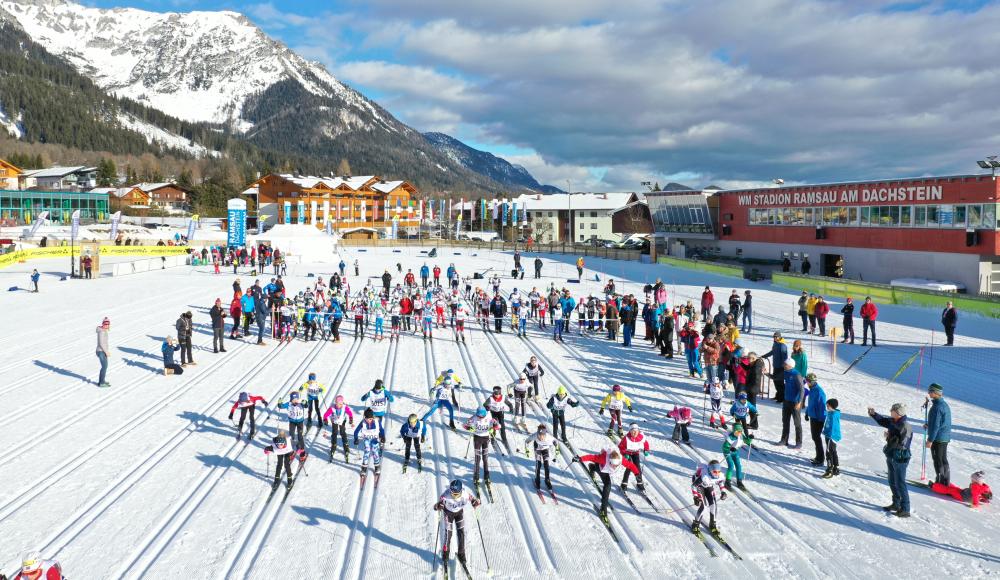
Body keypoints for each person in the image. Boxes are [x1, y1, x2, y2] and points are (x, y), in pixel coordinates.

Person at [867, 402, 913, 517]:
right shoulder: (894, 421)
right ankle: (896, 503)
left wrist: (889, 437)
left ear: (898, 413)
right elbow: (883, 421)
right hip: (891, 455)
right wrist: (874, 414)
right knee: (892, 480)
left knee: (900, 482)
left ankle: (905, 509)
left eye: (892, 410)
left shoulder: (905, 426)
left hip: (900, 457)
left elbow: (902, 444)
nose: (890, 411)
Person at [575, 448, 639, 517]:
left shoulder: (620, 459)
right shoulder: (603, 459)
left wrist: (637, 474)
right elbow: (591, 457)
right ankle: (603, 508)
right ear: (610, 461)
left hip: (606, 469)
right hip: (600, 467)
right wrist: (580, 459)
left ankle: (592, 467)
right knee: (608, 485)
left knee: (607, 482)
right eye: (613, 465)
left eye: (616, 465)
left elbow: (630, 465)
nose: (615, 467)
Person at [433, 480, 481, 570]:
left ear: (460, 491)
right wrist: (438, 506)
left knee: (461, 533)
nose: (454, 496)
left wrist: (475, 502)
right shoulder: (445, 495)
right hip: (448, 514)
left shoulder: (465, 494)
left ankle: (461, 555)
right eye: (452, 494)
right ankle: (445, 556)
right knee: (448, 535)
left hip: (459, 513)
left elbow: (475, 500)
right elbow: (435, 506)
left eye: (456, 494)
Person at [464, 406, 500, 484]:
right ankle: (476, 477)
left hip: (486, 439)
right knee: (477, 459)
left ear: (484, 414)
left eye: (481, 416)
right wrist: (469, 428)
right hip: (477, 439)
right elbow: (465, 425)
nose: (480, 418)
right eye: (478, 416)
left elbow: (498, 426)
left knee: (485, 458)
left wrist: (493, 427)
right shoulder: (474, 418)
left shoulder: (489, 417)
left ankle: (487, 477)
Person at [689, 460, 727, 535]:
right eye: (715, 472)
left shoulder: (719, 475)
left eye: (718, 472)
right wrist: (695, 497)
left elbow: (720, 482)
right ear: (710, 471)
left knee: (714, 505)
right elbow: (693, 486)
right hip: (700, 486)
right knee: (704, 507)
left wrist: (723, 491)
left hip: (708, 486)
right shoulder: (704, 475)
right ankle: (695, 524)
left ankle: (712, 524)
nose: (717, 474)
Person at [925, 383, 951, 486]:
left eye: (930, 391)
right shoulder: (942, 404)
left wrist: (930, 440)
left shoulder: (937, 407)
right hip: (943, 437)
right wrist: (929, 425)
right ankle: (945, 481)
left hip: (938, 438)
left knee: (938, 460)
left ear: (936, 393)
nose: (928, 393)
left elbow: (936, 426)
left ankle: (940, 481)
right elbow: (939, 422)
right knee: (943, 459)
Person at [354, 408, 386, 483]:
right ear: (365, 417)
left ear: (373, 417)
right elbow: (356, 431)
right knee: (367, 452)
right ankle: (364, 468)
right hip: (366, 439)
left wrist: (383, 436)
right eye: (368, 419)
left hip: (374, 439)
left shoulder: (377, 421)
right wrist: (356, 439)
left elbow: (381, 430)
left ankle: (377, 467)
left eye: (371, 419)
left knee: (375, 452)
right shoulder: (363, 422)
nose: (369, 420)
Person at [525, 424, 561, 490]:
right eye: (539, 435)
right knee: (538, 465)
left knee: (546, 465)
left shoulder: (549, 437)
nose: (540, 437)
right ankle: (537, 479)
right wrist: (527, 450)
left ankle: (547, 480)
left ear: (545, 434)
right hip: (537, 449)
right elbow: (527, 441)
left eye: (542, 436)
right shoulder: (535, 435)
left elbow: (556, 441)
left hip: (545, 449)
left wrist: (557, 448)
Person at [779, 359, 804, 448]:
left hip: (795, 402)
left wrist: (799, 402)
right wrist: (766, 373)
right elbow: (777, 377)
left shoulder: (796, 374)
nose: (783, 365)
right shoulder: (786, 372)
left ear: (790, 365)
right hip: (786, 401)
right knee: (785, 421)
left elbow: (802, 389)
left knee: (797, 423)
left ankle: (799, 442)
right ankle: (784, 440)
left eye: (785, 364)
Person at [618, 423, 650, 492]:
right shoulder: (626, 438)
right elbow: (621, 447)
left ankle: (640, 483)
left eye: (636, 431)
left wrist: (646, 450)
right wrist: (624, 454)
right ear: (630, 431)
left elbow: (645, 443)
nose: (634, 433)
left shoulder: (640, 437)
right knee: (629, 467)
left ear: (638, 431)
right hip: (628, 454)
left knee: (637, 468)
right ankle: (624, 484)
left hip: (635, 453)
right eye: (633, 431)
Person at [804, 373, 827, 466]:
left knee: (817, 438)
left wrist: (820, 419)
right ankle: (818, 456)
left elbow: (822, 407)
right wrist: (807, 413)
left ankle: (821, 458)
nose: (806, 383)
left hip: (818, 418)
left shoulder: (819, 392)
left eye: (807, 381)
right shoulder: (812, 390)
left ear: (811, 382)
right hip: (813, 416)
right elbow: (811, 404)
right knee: (815, 437)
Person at [323, 395, 353, 462]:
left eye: (341, 404)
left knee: (343, 433)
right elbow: (325, 414)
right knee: (334, 433)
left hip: (342, 421)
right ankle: (333, 445)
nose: (339, 405)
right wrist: (325, 419)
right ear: (335, 403)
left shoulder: (345, 407)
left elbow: (350, 413)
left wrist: (351, 418)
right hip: (335, 421)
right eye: (338, 403)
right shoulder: (332, 408)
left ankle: (346, 446)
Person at [760, 332, 789, 403]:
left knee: (779, 382)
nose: (775, 338)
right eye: (774, 337)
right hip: (776, 366)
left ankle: (782, 398)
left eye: (776, 337)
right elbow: (772, 352)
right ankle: (778, 395)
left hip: (781, 367)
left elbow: (784, 357)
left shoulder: (782, 345)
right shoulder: (775, 344)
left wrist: (784, 366)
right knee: (775, 381)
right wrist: (764, 356)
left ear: (779, 337)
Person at [722, 423, 752, 490]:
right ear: (734, 431)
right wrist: (730, 448)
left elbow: (747, 441)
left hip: (735, 452)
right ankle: (727, 481)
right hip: (728, 453)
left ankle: (739, 481)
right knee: (731, 466)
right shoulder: (731, 437)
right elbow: (724, 447)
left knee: (738, 466)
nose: (739, 433)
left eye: (740, 431)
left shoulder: (741, 435)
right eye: (737, 431)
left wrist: (750, 438)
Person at [821, 398, 841, 478]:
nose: (826, 406)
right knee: (833, 451)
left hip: (831, 436)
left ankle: (830, 470)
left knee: (828, 452)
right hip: (832, 435)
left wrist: (829, 435)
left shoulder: (833, 416)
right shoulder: (832, 412)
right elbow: (825, 413)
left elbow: (833, 427)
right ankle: (836, 467)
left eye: (828, 405)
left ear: (832, 406)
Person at [95, 317, 111, 387]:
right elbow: (101, 343)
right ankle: (101, 383)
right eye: (105, 324)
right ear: (103, 324)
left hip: (103, 351)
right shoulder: (101, 331)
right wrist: (106, 352)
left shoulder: (104, 330)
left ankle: (102, 381)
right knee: (104, 367)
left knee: (105, 366)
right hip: (101, 351)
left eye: (108, 324)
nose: (106, 325)